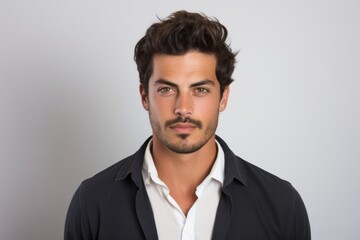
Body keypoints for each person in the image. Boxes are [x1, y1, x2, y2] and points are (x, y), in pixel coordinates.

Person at [64, 10, 311, 240]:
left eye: (200, 89)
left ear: (223, 97)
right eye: (167, 89)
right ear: (144, 97)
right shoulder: (92, 203)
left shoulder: (282, 205)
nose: (183, 107)